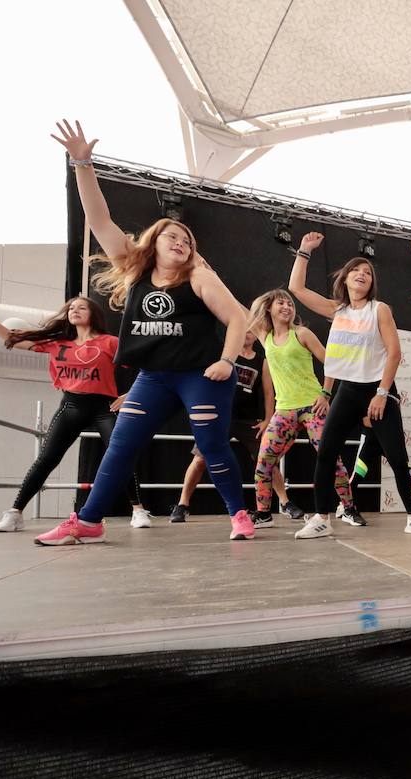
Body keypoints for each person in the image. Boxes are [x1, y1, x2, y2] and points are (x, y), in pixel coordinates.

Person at [36, 120, 253, 546]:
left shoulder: (199, 278)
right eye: (172, 235)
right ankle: (89, 520)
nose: (181, 242)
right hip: (153, 377)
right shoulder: (135, 271)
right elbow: (98, 218)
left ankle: (239, 514)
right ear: (153, 242)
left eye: (187, 240)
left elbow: (238, 319)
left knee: (211, 445)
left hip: (200, 376)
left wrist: (227, 361)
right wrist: (82, 163)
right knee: (120, 445)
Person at [0, 288, 150, 532]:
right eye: (71, 308)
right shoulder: (56, 344)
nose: (75, 310)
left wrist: (130, 395)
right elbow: (11, 337)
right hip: (71, 406)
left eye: (81, 307)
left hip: (103, 407)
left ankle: (138, 510)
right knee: (46, 459)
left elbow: (147, 367)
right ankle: (15, 513)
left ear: (93, 314)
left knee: (120, 455)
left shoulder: (109, 342)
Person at [288, 232, 411, 538]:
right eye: (356, 271)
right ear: (346, 278)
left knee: (397, 455)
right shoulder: (337, 311)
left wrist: (381, 393)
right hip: (348, 390)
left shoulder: (379, 309)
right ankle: (321, 517)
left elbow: (394, 353)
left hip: (378, 389)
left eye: (367, 272)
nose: (362, 274)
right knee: (326, 452)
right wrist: (304, 250)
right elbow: (295, 288)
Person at [241, 289, 354, 528]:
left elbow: (331, 362)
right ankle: (263, 514)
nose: (287, 307)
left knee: (331, 458)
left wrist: (325, 394)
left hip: (312, 406)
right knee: (264, 463)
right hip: (284, 410)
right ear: (269, 309)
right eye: (281, 303)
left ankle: (348, 508)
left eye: (290, 304)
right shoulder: (265, 336)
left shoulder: (302, 333)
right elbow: (242, 310)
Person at [169, 327, 293, 523]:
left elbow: (269, 393)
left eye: (251, 330)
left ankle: (285, 503)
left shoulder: (262, 361)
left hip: (248, 421)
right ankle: (182, 504)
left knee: (267, 459)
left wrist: (268, 419)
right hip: (219, 417)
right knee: (200, 458)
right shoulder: (224, 355)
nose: (247, 332)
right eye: (243, 329)